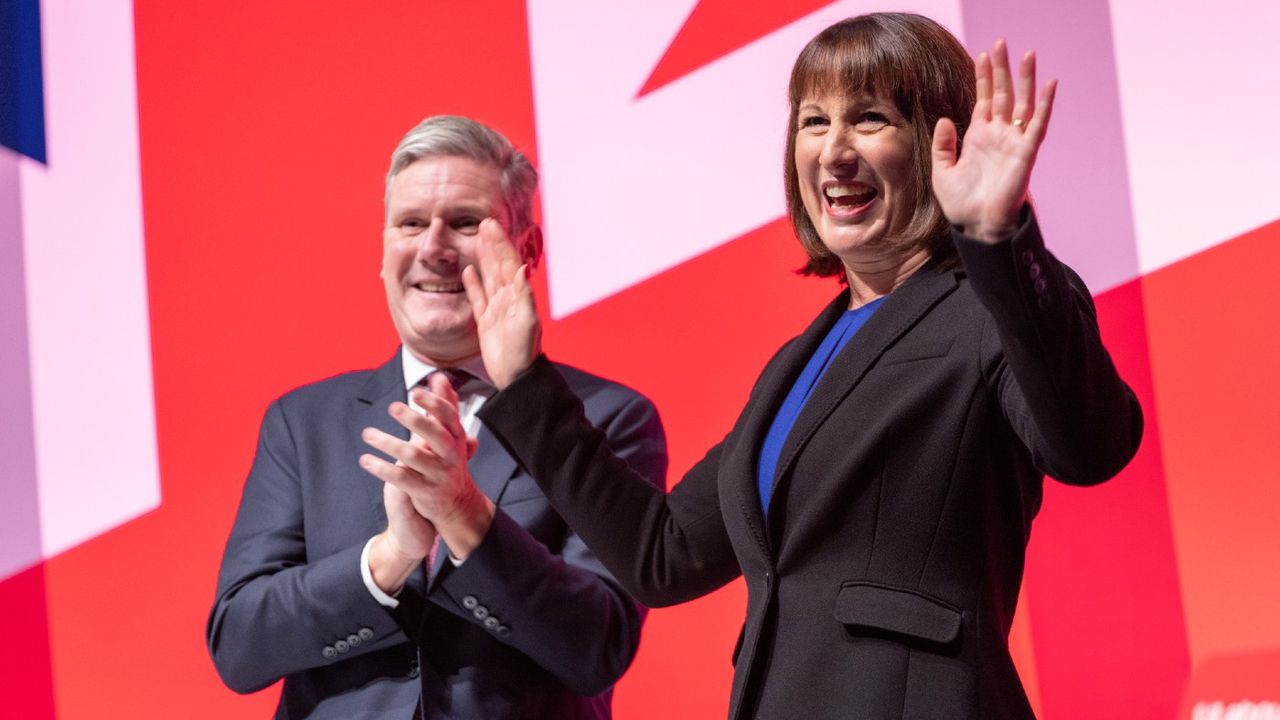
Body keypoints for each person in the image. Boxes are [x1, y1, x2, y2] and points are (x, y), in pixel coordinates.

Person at [417, 13, 1143, 720]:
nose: (833, 150)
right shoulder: (798, 362)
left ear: (936, 145)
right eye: (813, 121)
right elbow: (660, 555)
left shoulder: (991, 303)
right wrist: (525, 383)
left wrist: (997, 239)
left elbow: (1089, 446)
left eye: (869, 119)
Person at [206, 115, 667, 719]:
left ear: (527, 249)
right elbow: (239, 646)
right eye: (411, 224)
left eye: (466, 223)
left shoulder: (607, 420)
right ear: (383, 252)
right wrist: (388, 558)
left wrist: (463, 515)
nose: (433, 248)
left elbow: (596, 646)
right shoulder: (302, 423)